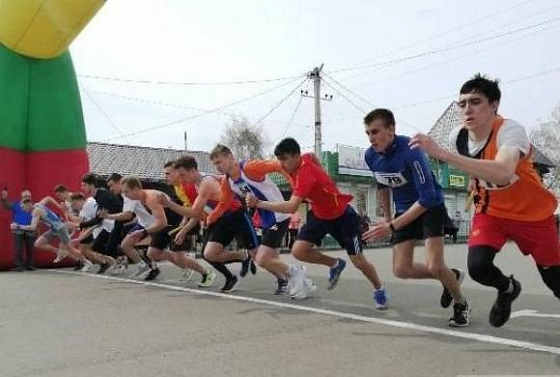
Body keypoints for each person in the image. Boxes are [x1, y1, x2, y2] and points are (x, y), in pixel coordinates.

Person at [409, 73, 560, 327]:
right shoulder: (458, 136)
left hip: (532, 215)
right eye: (463, 103)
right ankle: (508, 289)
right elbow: (475, 165)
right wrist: (472, 179)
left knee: (555, 282)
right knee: (478, 267)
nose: (467, 108)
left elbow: (503, 171)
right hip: (492, 212)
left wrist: (440, 154)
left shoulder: (510, 130)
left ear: (494, 105)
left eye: (475, 102)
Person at [245, 138, 388, 308]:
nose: (281, 164)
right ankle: (334, 264)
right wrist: (324, 179)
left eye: (284, 159)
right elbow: (312, 155)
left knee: (359, 262)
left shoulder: (306, 173)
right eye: (279, 159)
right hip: (320, 215)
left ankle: (379, 289)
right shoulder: (303, 159)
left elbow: (291, 207)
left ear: (296, 156)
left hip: (343, 216)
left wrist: (258, 203)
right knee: (298, 251)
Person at [361, 109, 469, 326]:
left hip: (430, 207)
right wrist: (388, 218)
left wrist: (391, 226)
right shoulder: (370, 156)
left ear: (391, 130)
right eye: (368, 134)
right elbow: (382, 185)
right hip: (403, 210)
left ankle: (461, 302)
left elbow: (428, 196)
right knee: (401, 269)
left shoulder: (411, 150)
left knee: (435, 266)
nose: (372, 138)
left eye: (375, 132)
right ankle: (451, 276)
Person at [208, 144, 314, 297]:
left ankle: (297, 273)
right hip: (266, 219)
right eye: (215, 164)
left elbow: (278, 165)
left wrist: (295, 186)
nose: (217, 166)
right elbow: (223, 204)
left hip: (279, 215)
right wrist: (211, 217)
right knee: (268, 257)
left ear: (230, 157)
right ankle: (299, 280)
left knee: (261, 258)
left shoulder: (250, 168)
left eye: (219, 162)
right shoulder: (227, 182)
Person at [164, 156, 253, 293]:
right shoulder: (191, 184)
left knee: (259, 253)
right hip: (218, 218)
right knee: (209, 254)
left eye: (181, 174)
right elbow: (199, 210)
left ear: (192, 171)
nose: (179, 178)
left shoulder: (201, 184)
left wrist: (170, 205)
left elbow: (194, 212)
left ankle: (282, 277)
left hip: (235, 215)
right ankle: (239, 261)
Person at [17, 196, 88, 265]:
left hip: (60, 228)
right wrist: (58, 206)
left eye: (23, 207)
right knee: (38, 244)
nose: (23, 210)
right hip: (54, 229)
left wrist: (18, 226)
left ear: (28, 204)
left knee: (70, 248)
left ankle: (86, 262)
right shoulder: (38, 204)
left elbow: (33, 227)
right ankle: (60, 252)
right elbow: (48, 198)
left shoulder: (36, 211)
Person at [1, 189, 36, 271]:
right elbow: (6, 206)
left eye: (29, 196)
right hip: (18, 230)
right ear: (21, 197)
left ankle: (29, 265)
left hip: (30, 230)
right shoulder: (16, 204)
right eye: (25, 196)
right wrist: (4, 199)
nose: (27, 198)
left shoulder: (33, 206)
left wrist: (37, 229)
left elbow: (38, 218)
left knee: (30, 248)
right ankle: (19, 266)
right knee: (18, 248)